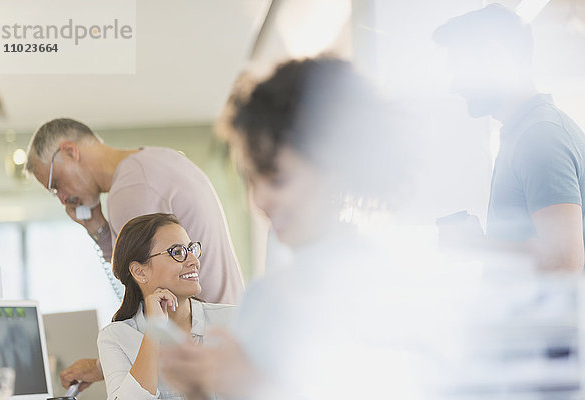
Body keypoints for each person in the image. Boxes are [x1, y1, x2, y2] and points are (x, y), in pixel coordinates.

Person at [159, 57, 415, 399]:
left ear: (336, 168)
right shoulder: (261, 298)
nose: (261, 199)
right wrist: (202, 390)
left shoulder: (388, 287)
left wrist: (253, 385)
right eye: (251, 180)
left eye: (277, 179)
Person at [24, 119, 244, 390]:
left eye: (56, 183)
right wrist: (98, 229)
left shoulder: (129, 191)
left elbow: (145, 285)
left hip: (196, 348)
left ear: (70, 151)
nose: (62, 198)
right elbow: (139, 266)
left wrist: (104, 363)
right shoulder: (155, 160)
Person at [433, 4, 585, 272]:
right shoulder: (525, 132)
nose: (454, 85)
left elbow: (565, 261)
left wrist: (476, 244)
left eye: (460, 68)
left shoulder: (539, 136)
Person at [98, 213, 237, 400]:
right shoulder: (115, 338)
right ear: (140, 272)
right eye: (177, 252)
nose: (194, 262)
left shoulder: (233, 321)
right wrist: (154, 331)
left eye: (191, 250)